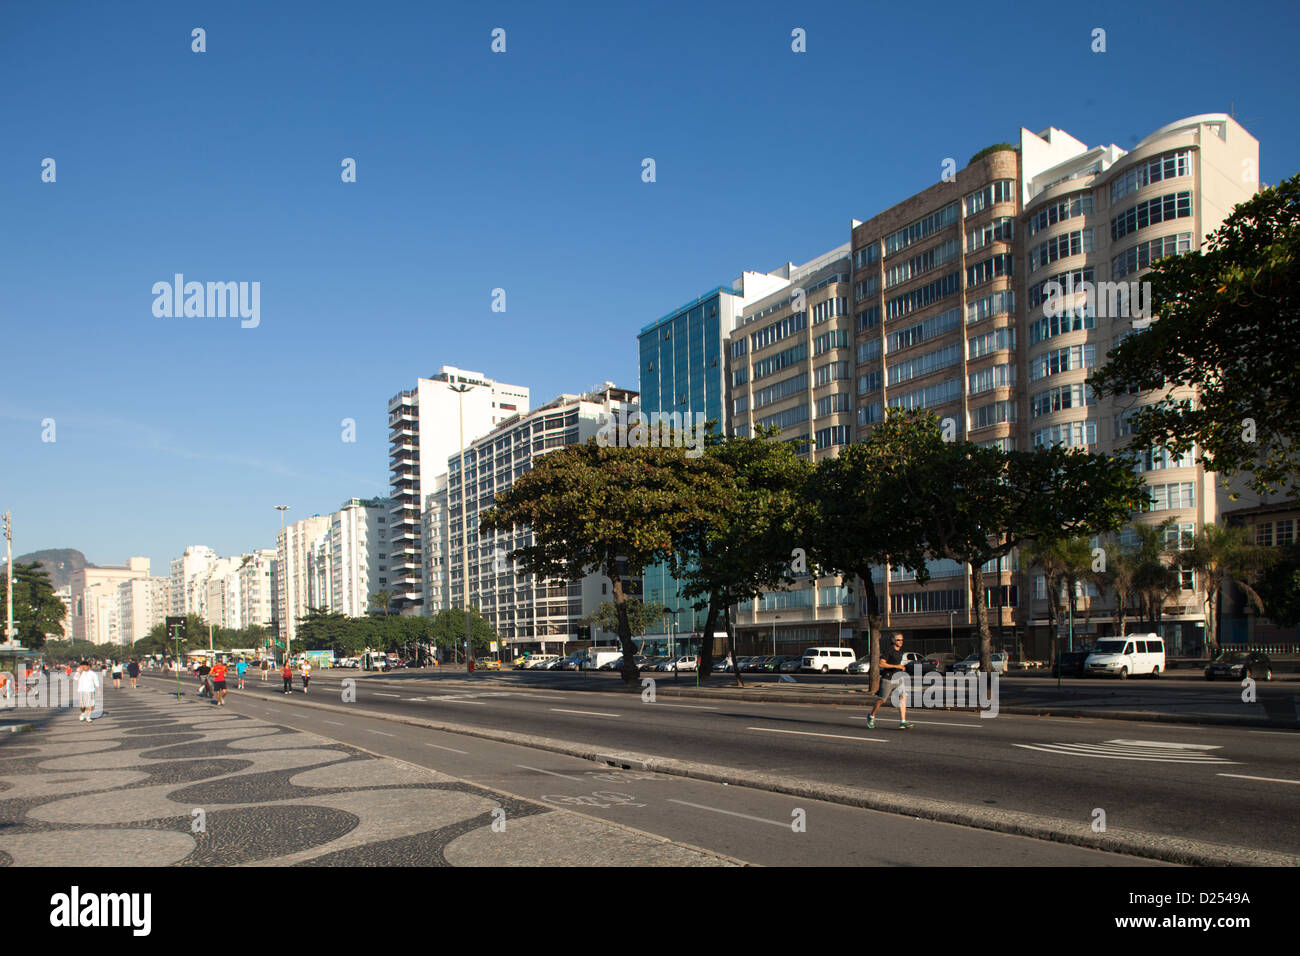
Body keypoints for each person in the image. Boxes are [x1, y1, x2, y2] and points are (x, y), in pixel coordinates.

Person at [866, 632, 914, 730]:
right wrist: (896, 666)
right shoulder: (888, 651)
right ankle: (871, 716)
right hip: (888, 679)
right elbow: (881, 664)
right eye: (898, 640)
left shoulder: (900, 652)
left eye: (902, 640)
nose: (901, 642)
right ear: (893, 640)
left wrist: (901, 668)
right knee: (882, 700)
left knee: (902, 697)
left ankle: (903, 722)